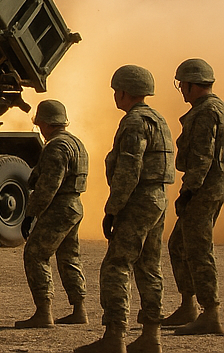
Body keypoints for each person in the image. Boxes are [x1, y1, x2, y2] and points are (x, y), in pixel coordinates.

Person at [75, 65, 175, 353]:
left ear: (123, 92)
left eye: (116, 91)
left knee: (116, 266)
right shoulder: (159, 120)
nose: (114, 96)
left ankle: (115, 336)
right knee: (149, 266)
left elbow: (130, 169)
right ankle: (151, 336)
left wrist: (113, 208)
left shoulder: (134, 122)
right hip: (158, 199)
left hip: (137, 200)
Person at [162, 58, 224, 335]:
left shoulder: (205, 112)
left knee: (198, 249)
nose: (182, 92)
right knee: (178, 244)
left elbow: (202, 157)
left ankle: (210, 313)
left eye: (182, 86)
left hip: (203, 188)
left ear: (190, 85)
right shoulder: (217, 107)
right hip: (211, 186)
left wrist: (188, 191)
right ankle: (189, 306)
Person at [15, 99, 88, 328]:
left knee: (35, 254)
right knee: (69, 256)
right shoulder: (76, 143)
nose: (40, 130)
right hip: (74, 205)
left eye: (40, 125)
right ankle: (79, 310)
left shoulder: (56, 147)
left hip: (59, 207)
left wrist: (31, 213)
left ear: (46, 123)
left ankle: (44, 312)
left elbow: (48, 186)